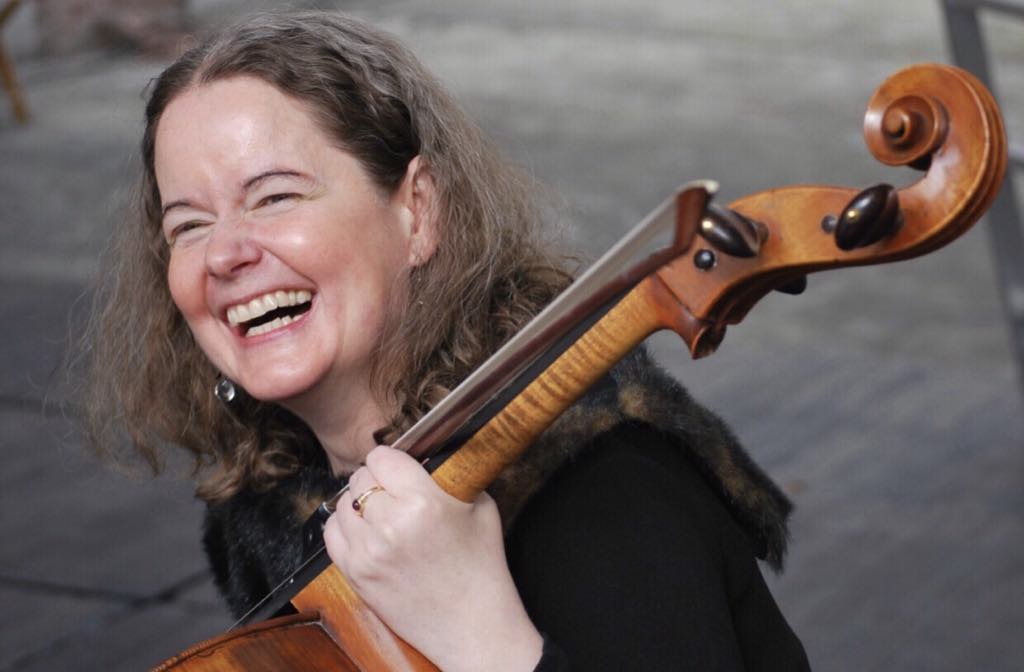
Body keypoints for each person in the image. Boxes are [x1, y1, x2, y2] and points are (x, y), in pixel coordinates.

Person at [82, 10, 810, 671]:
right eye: (188, 226)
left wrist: (478, 634)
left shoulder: (601, 489)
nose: (224, 254)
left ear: (418, 213)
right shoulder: (273, 502)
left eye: (275, 196)